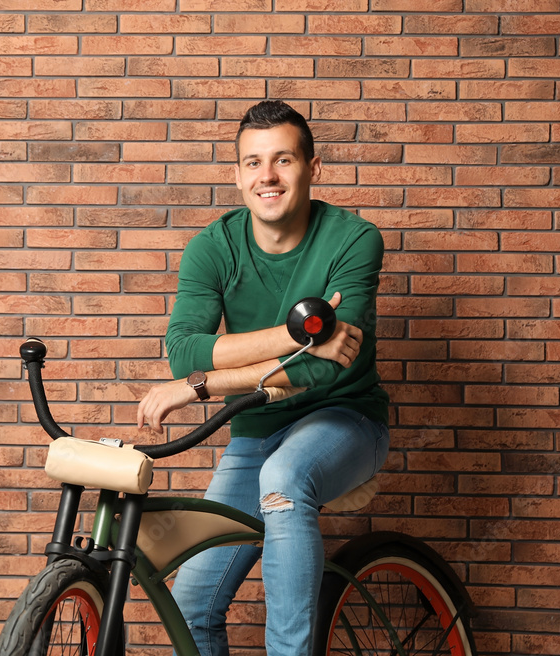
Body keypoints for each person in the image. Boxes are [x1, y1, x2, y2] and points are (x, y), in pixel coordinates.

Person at [136, 100, 390, 656]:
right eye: (253, 163)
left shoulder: (353, 239)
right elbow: (184, 352)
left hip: (346, 418)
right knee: (192, 605)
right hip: (256, 429)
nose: (267, 176)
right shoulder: (213, 248)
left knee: (283, 476)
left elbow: (326, 366)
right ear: (237, 174)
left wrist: (202, 385)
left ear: (312, 167)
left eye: (283, 160)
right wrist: (294, 334)